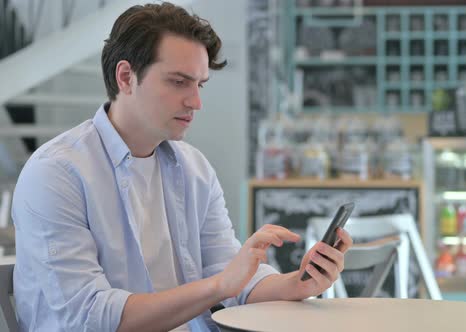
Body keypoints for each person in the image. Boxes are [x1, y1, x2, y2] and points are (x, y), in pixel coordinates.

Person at [11, 2, 353, 332]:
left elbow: (234, 277)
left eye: (199, 84)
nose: (196, 101)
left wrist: (297, 282)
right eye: (178, 82)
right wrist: (220, 285)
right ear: (126, 76)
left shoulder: (194, 169)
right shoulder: (56, 174)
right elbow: (91, 317)